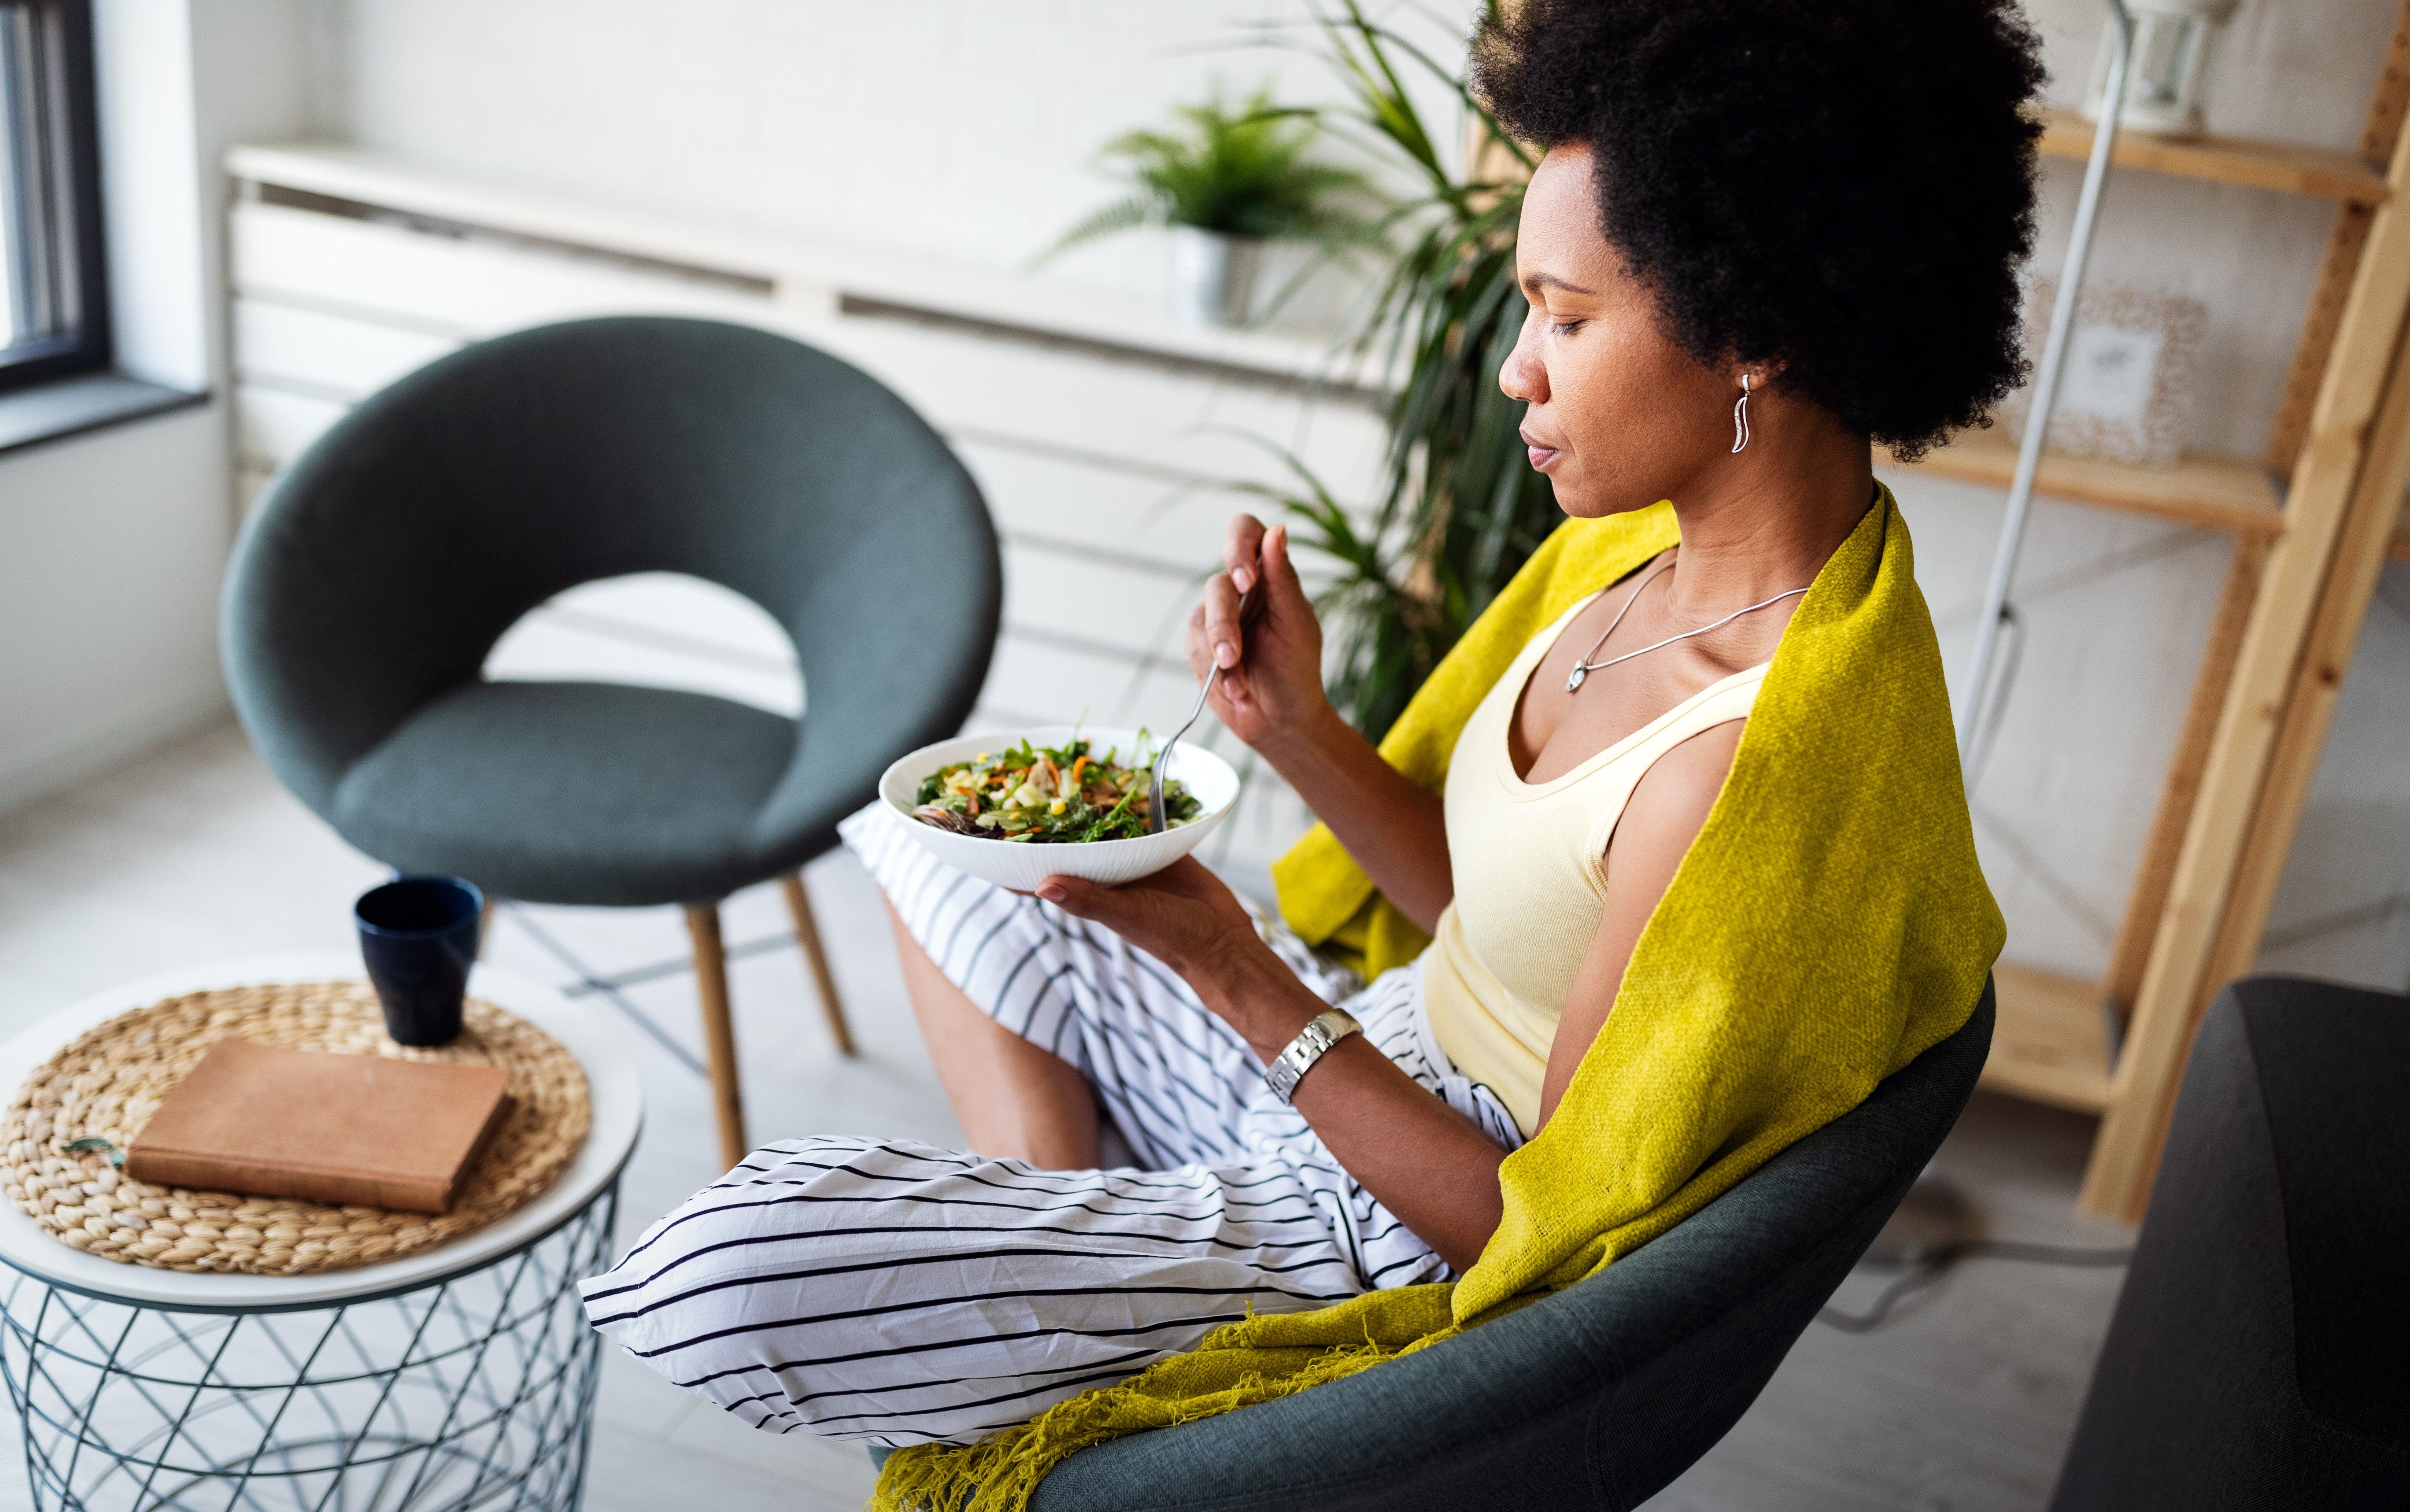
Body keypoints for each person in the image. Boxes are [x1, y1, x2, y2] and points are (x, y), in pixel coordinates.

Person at [582, 0, 2044, 1450]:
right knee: (944, 854)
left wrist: (1237, 972)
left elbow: (1520, 1228)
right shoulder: (1636, 551)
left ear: (1760, 330)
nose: (1516, 369)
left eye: (1568, 317)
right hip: (1368, 1049)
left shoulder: (1753, 764)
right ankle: (1077, 1254)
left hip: (1395, 1213)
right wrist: (1290, 723)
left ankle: (1078, 1301)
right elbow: (1493, 908)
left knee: (738, 1264)